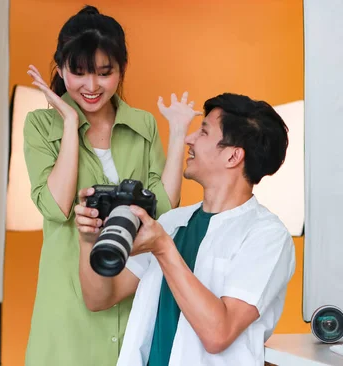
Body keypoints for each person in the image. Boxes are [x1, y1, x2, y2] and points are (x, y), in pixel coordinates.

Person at [22, 5, 199, 365]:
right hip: (67, 313)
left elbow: (162, 210)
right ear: (60, 70)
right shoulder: (41, 126)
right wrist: (69, 123)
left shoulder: (142, 125)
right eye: (79, 72)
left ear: (121, 71)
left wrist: (178, 132)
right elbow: (56, 208)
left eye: (105, 73)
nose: (91, 86)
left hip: (132, 301)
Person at [74, 93, 296, 366]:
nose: (189, 139)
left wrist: (163, 249)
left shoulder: (267, 236)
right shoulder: (171, 223)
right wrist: (88, 240)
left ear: (233, 156)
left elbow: (218, 333)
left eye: (203, 132)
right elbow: (99, 297)